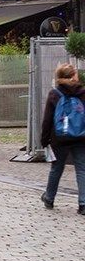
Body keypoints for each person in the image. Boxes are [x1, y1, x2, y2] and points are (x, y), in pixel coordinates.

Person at [40, 62, 85, 214]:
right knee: (82, 169)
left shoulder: (55, 94)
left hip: (59, 138)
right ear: (74, 76)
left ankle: (49, 198)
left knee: (56, 168)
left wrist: (44, 140)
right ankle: (83, 203)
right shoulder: (83, 92)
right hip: (81, 137)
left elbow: (47, 119)